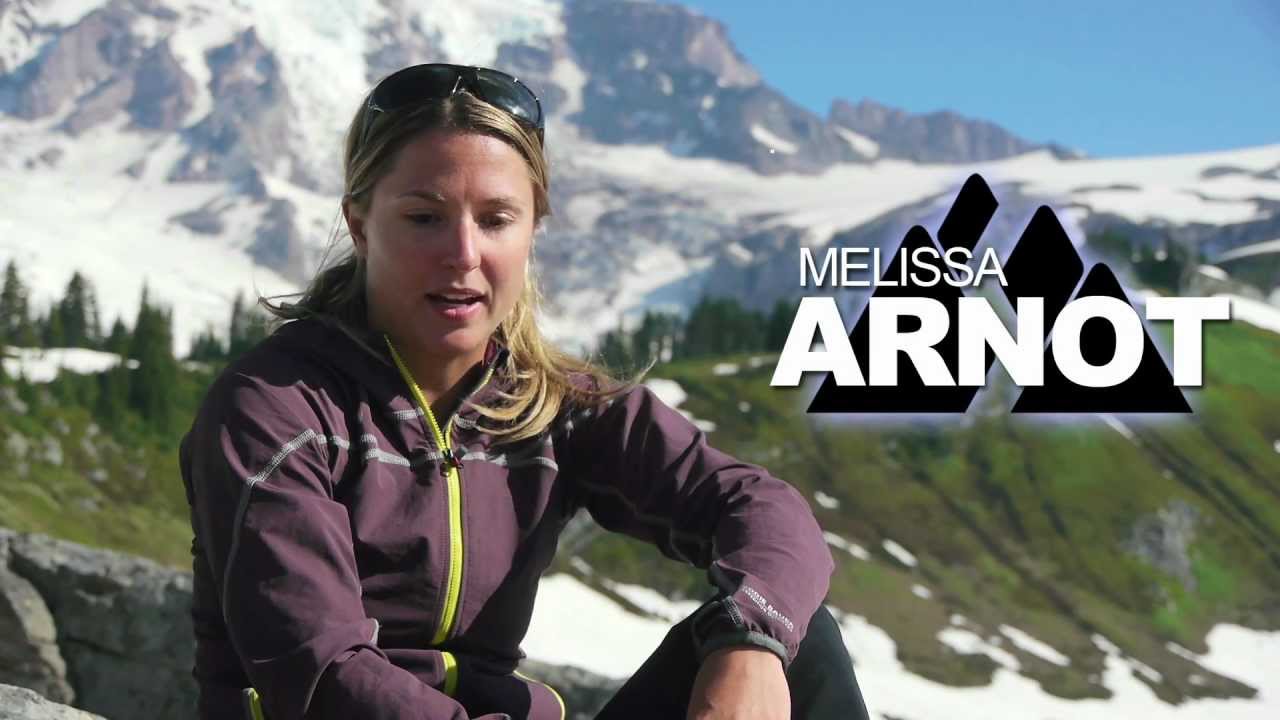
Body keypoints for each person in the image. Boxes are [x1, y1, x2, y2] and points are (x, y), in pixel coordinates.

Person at [179, 63, 870, 720]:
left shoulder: (550, 406)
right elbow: (321, 673)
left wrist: (750, 641)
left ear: (532, 228)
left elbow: (765, 509)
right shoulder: (275, 408)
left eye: (495, 219)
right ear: (360, 225)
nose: (463, 254)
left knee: (798, 641)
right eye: (424, 217)